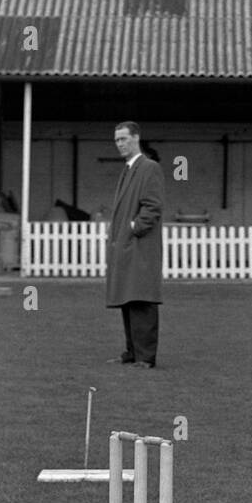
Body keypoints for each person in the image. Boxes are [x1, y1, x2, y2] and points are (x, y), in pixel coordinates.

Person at [106, 121, 165, 368]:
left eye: (124, 139)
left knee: (141, 299)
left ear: (136, 138)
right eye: (117, 140)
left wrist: (133, 228)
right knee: (128, 299)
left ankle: (145, 357)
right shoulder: (129, 169)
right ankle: (132, 352)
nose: (120, 144)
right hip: (127, 245)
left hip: (140, 245)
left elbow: (152, 206)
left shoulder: (149, 168)